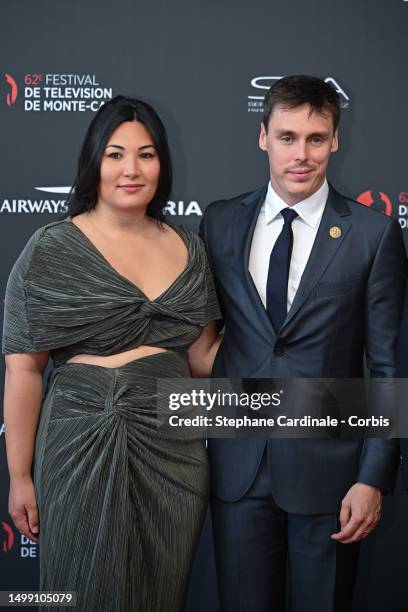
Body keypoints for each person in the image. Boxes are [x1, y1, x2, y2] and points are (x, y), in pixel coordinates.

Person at [3, 95, 221, 611]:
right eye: (115, 154)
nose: (132, 169)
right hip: (76, 444)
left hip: (174, 452)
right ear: (93, 163)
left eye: (146, 155)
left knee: (160, 592)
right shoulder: (51, 248)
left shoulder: (191, 249)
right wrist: (18, 477)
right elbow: (23, 370)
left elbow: (205, 357)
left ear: (162, 164)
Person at [199, 75, 407, 612]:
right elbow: (200, 339)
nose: (302, 154)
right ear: (263, 136)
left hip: (333, 479)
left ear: (336, 140)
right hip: (237, 471)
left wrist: (373, 477)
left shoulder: (373, 234)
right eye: (288, 137)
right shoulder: (219, 224)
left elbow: (385, 365)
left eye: (317, 138)